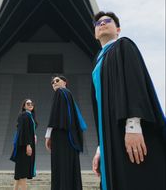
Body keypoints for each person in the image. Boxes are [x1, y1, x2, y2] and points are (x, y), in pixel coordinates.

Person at [91, 11, 166, 190]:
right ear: (95, 33)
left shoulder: (123, 46)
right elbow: (97, 107)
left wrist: (133, 125)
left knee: (136, 174)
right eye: (98, 23)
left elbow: (135, 83)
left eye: (108, 21)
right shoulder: (97, 62)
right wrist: (100, 147)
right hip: (109, 134)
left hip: (128, 128)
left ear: (118, 29)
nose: (102, 23)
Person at [45, 75, 87, 190]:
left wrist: (48, 135)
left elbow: (54, 114)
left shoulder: (60, 92)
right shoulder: (69, 95)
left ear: (65, 82)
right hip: (71, 138)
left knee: (61, 166)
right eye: (52, 82)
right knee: (70, 167)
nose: (54, 83)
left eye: (57, 80)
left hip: (61, 136)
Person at [10, 98, 37, 190]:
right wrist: (28, 145)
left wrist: (34, 135)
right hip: (24, 146)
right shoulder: (24, 115)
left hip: (26, 144)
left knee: (19, 172)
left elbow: (29, 130)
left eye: (31, 103)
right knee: (23, 172)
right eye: (28, 103)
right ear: (24, 106)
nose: (30, 104)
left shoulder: (29, 116)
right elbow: (23, 132)